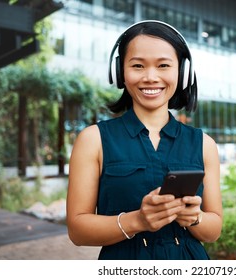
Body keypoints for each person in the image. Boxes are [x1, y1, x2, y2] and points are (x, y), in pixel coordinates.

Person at [66, 20, 222, 260]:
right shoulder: (93, 140)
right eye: (138, 65)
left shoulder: (204, 144)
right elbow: (77, 231)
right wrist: (137, 220)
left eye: (163, 65)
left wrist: (194, 217)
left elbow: (214, 229)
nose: (150, 77)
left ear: (182, 72)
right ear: (120, 73)